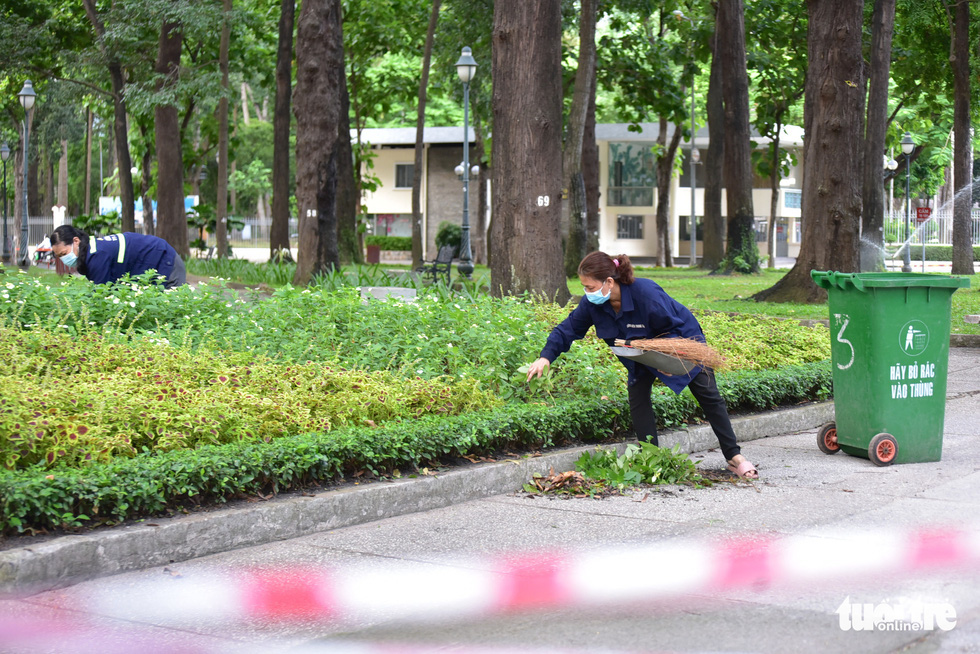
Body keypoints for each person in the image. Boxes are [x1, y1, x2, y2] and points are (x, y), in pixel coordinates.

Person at [525, 251, 758, 479]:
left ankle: (734, 457)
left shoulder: (646, 293)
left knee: (709, 395)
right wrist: (545, 357)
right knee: (638, 396)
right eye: (584, 288)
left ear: (609, 281)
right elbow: (567, 329)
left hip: (682, 343)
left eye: (590, 287)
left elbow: (674, 328)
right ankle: (651, 456)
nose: (587, 293)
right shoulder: (593, 304)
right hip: (637, 352)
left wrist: (672, 359)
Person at [48, 225, 186, 289]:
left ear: (76, 241)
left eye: (64, 254)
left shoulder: (96, 257)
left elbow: (101, 297)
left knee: (176, 311)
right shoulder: (92, 250)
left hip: (165, 260)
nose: (64, 259)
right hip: (156, 259)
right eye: (59, 256)